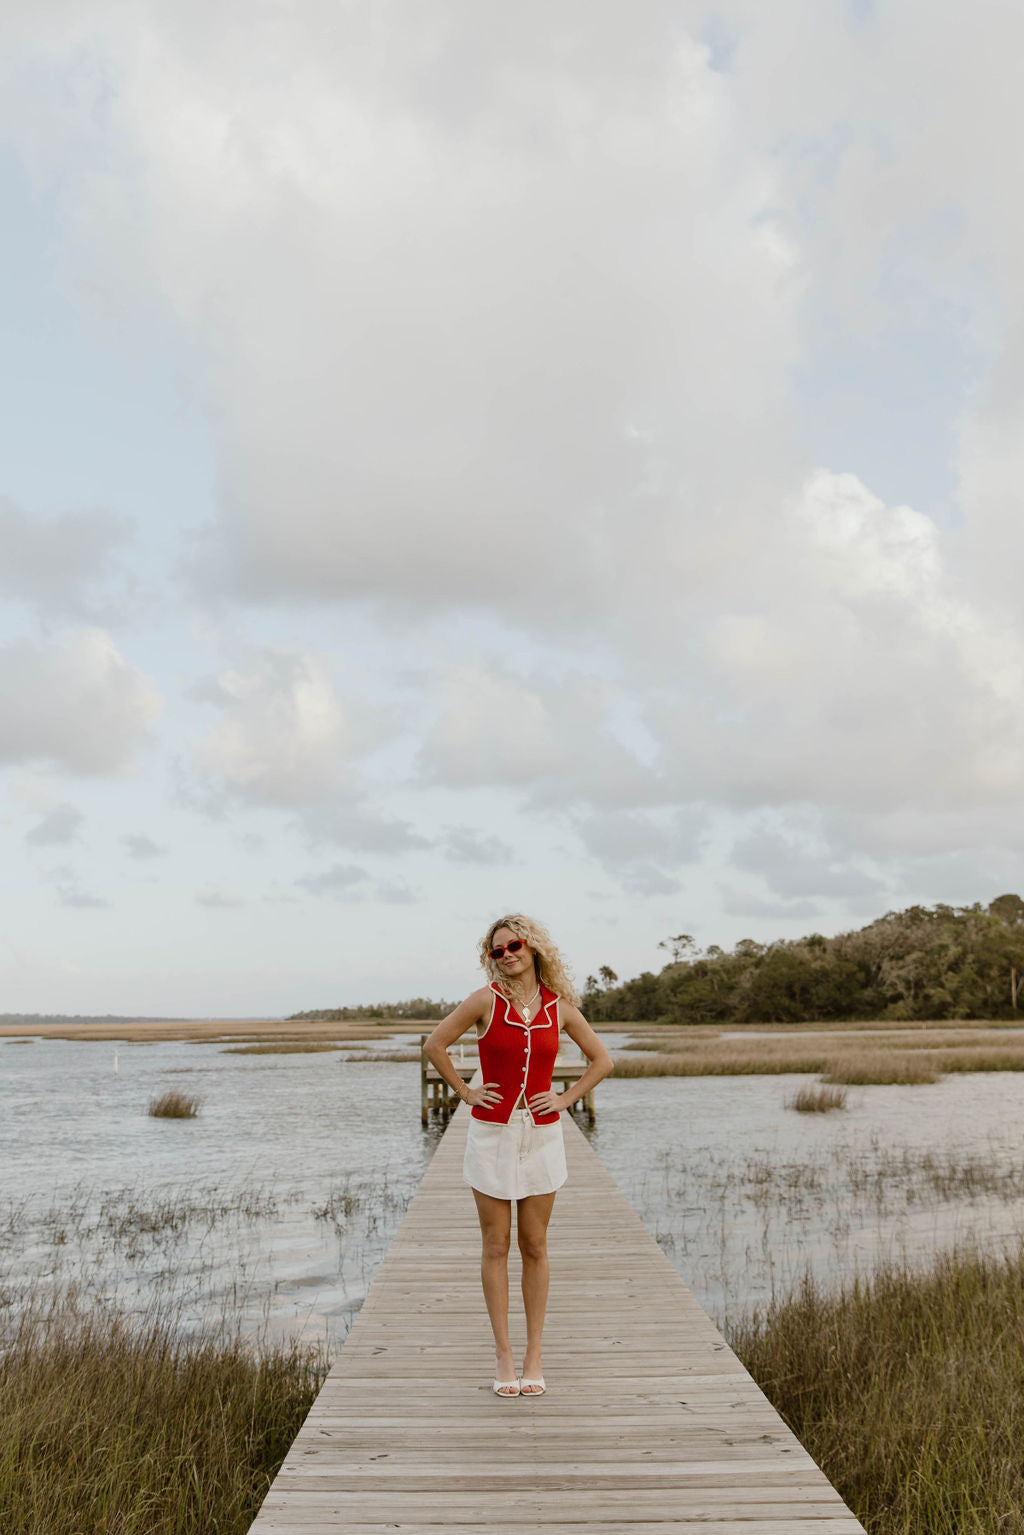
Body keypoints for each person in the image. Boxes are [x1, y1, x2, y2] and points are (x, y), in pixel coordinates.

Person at [423, 914, 614, 1398]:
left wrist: (566, 1100)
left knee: (534, 1245)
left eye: (514, 946)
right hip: (491, 1135)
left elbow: (603, 1060)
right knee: (495, 1244)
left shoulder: (560, 1009)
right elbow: (435, 1044)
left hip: (543, 1136)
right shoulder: (484, 1001)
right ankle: (503, 1353)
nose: (506, 955)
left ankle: (534, 1354)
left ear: (534, 949)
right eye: (496, 951)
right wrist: (466, 1091)